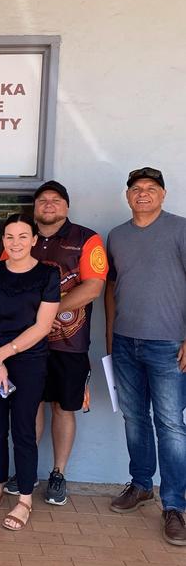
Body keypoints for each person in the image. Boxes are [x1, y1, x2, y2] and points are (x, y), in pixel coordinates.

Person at [4, 181, 108, 505]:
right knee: (29, 405)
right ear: (35, 208)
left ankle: (58, 474)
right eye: (43, 200)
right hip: (26, 344)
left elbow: (93, 288)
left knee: (64, 409)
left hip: (70, 344)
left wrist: (49, 312)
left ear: (66, 206)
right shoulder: (19, 236)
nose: (49, 204)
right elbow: (4, 282)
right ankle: (26, 471)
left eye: (56, 200)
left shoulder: (87, 239)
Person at [106, 167, 186, 546]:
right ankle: (141, 485)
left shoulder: (180, 229)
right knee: (135, 418)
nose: (142, 194)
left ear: (163, 194)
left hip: (169, 344)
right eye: (136, 189)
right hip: (125, 342)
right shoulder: (117, 236)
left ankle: (175, 506)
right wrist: (109, 336)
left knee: (171, 425)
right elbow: (112, 288)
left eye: (151, 189)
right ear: (127, 196)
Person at [0, 213, 60, 530]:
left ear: (34, 240)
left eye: (23, 236)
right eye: (9, 236)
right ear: (2, 240)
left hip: (28, 361)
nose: (16, 243)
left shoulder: (48, 275)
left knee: (23, 430)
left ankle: (24, 499)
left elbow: (43, 326)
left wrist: (0, 357)